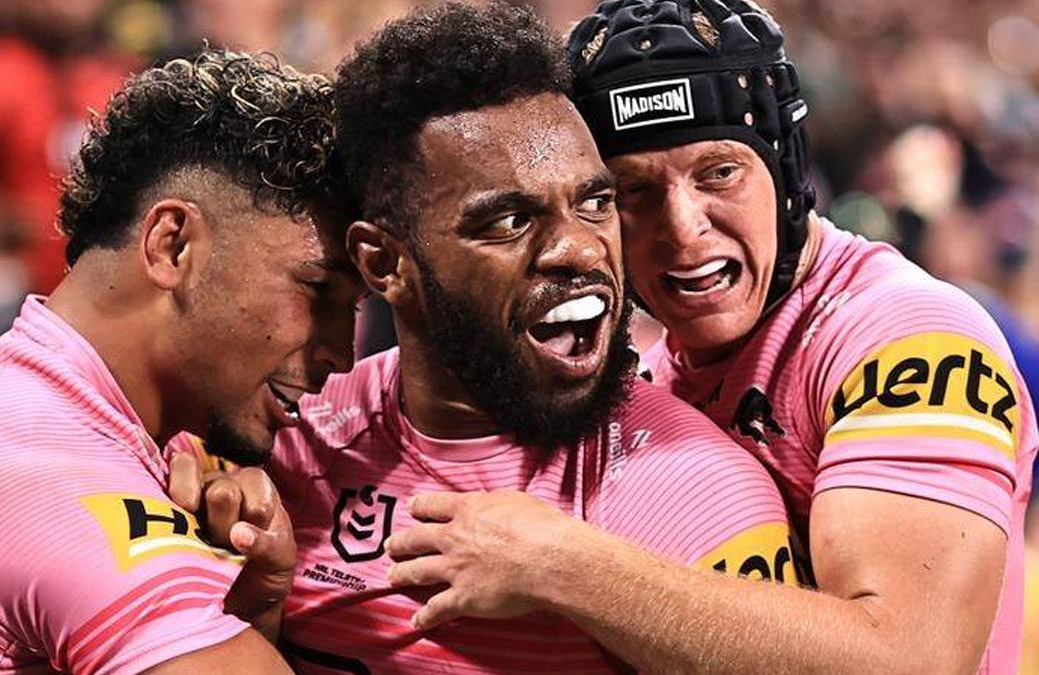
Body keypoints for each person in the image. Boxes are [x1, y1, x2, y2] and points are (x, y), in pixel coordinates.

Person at [377, 1, 1037, 673]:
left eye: (719, 172)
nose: (684, 229)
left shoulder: (910, 338)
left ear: (786, 171)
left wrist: (560, 564)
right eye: (632, 191)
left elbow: (910, 661)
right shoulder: (651, 376)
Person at [171, 4, 795, 673]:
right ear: (384, 263)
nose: (579, 248)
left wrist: (568, 572)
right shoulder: (287, 443)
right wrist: (254, 598)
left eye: (595, 203)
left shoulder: (693, 487)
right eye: (509, 221)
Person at [0, 47, 362, 674]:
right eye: (317, 291)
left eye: (355, 309)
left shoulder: (7, 398)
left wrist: (255, 602)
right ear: (172, 245)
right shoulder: (43, 463)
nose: (341, 352)